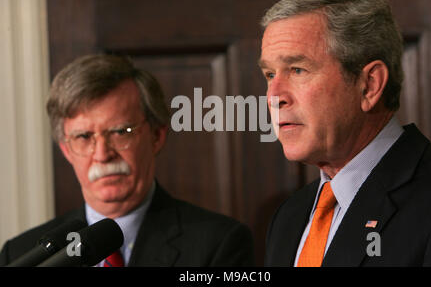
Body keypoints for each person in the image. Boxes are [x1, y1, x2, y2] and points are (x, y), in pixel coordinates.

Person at [0, 54, 254, 267]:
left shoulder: (219, 244)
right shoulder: (22, 254)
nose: (102, 154)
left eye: (121, 132)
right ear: (66, 150)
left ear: (156, 136)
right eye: (84, 137)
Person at [260, 0, 431, 266]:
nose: (274, 97)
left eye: (298, 70)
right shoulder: (290, 215)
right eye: (269, 74)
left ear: (369, 85)